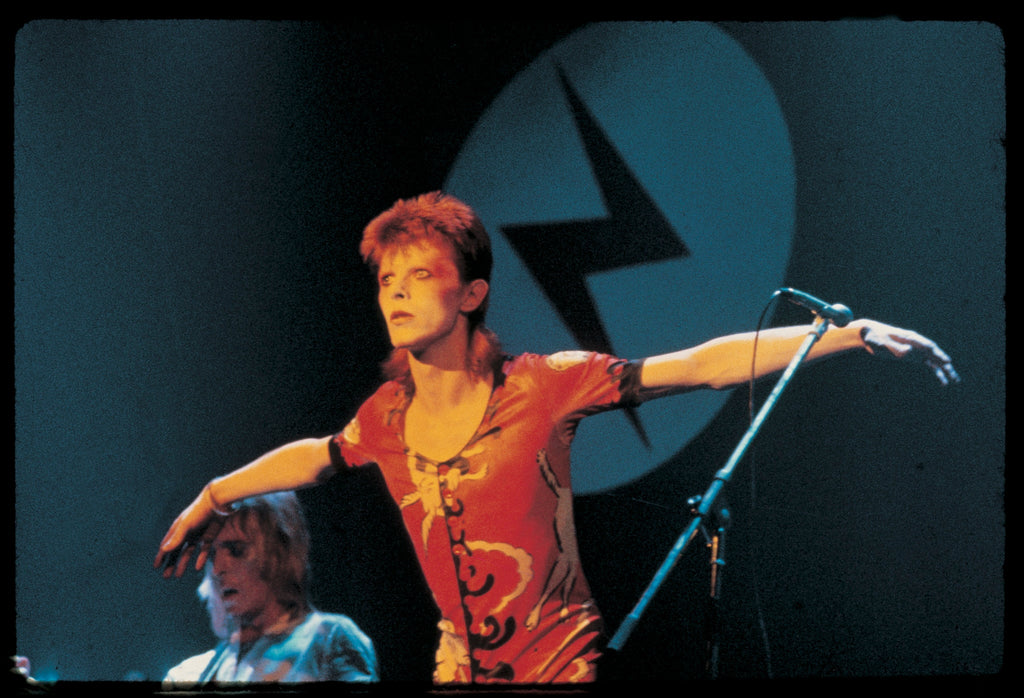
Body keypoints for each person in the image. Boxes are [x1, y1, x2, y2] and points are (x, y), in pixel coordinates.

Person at [155, 191, 958, 685]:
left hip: (561, 667)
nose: (395, 293)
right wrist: (211, 497)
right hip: (458, 669)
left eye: (420, 275)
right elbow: (319, 455)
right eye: (387, 281)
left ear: (472, 292)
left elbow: (697, 366)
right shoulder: (385, 418)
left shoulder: (543, 386)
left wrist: (847, 334)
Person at [161, 492, 378, 686]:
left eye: (236, 550)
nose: (217, 569)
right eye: (211, 555)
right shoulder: (189, 675)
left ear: (278, 554)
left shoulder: (328, 639)